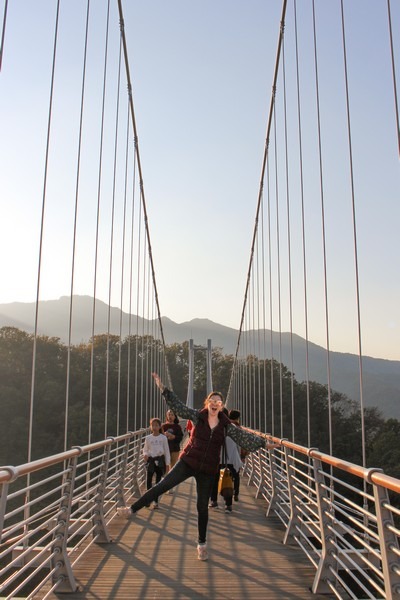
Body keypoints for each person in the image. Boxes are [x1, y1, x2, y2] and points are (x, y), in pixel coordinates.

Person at [117, 372, 280, 562]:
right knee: (162, 485)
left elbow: (243, 437)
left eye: (219, 401)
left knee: (202, 507)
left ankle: (201, 544)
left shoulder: (226, 426)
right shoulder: (197, 416)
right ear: (207, 403)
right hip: (188, 461)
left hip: (208, 469)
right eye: (212, 400)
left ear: (221, 406)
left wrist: (263, 444)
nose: (215, 403)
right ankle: (132, 509)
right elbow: (178, 407)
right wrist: (163, 388)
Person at [209, 410, 242, 512]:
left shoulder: (213, 428)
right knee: (228, 481)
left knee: (215, 481)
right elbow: (238, 444)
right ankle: (228, 505)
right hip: (231, 459)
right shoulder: (234, 428)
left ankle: (214, 501)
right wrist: (240, 457)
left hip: (217, 460)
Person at [142, 417, 171, 509]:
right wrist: (145, 454)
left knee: (158, 482)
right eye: (152, 425)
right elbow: (145, 449)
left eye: (156, 425)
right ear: (150, 427)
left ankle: (155, 501)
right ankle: (147, 500)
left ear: (159, 427)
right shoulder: (148, 438)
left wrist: (167, 464)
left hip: (160, 461)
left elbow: (166, 451)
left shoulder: (163, 438)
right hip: (151, 461)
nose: (154, 427)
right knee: (149, 481)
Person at [228, 409, 247, 502]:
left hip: (224, 457)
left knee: (226, 474)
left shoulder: (224, 427)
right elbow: (243, 444)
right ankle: (235, 494)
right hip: (236, 456)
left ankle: (226, 493)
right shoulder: (239, 428)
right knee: (236, 475)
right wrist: (243, 456)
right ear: (238, 418)